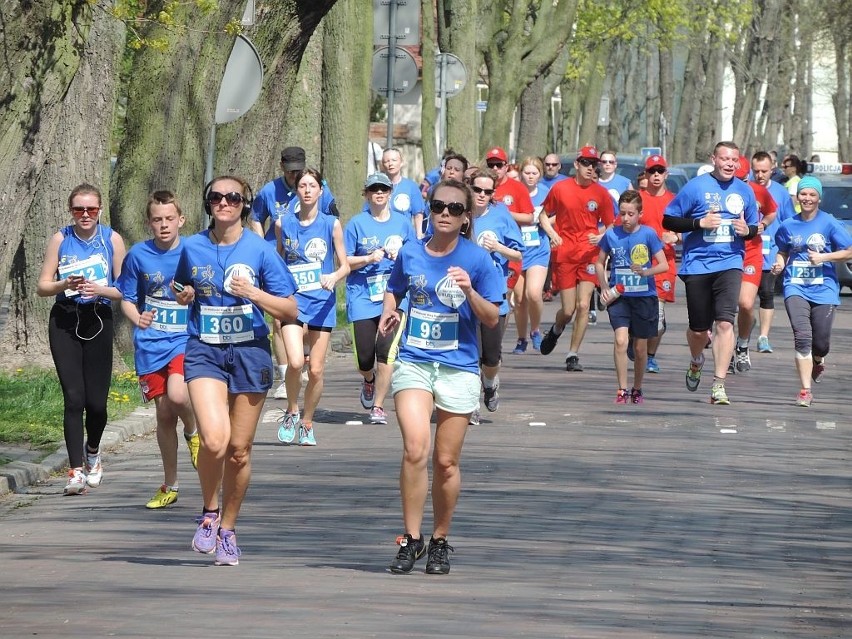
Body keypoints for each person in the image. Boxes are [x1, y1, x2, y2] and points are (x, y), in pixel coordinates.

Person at [379, 178, 503, 575]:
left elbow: (491, 318)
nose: (444, 214)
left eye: (454, 209)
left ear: (466, 217)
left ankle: (440, 539)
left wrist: (469, 291)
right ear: (429, 209)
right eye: (438, 206)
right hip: (415, 360)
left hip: (459, 366)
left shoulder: (478, 260)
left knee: (446, 462)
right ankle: (411, 539)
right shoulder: (411, 253)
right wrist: (389, 310)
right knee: (416, 449)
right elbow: (394, 288)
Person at [176, 175, 298, 566]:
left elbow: (290, 309)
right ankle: (209, 513)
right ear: (207, 202)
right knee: (215, 441)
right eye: (216, 197)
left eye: (232, 198)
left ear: (244, 204)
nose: (223, 203)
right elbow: (182, 289)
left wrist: (255, 294)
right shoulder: (192, 246)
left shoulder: (260, 250)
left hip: (250, 354)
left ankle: (228, 529)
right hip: (204, 352)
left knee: (240, 452)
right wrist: (186, 295)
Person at [37, 183, 127, 495]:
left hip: (98, 319)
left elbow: (124, 289)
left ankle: (93, 452)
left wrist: (98, 289)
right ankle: (75, 471)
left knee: (97, 405)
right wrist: (65, 283)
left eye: (91, 209)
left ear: (100, 210)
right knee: (74, 398)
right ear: (71, 211)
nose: (85, 215)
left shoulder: (111, 239)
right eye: (79, 210)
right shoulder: (61, 238)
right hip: (64, 319)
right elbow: (42, 286)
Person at [116, 190, 199, 508]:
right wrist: (138, 317)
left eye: (169, 219)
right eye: (157, 219)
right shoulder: (138, 255)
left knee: (178, 396)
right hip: (150, 345)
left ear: (181, 220)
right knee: (164, 415)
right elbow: (126, 296)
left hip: (183, 338)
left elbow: (207, 290)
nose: (164, 225)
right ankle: (170, 485)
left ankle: (193, 433)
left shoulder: (193, 251)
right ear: (149, 223)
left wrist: (193, 296)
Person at [662, 141, 759, 405]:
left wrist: (746, 230)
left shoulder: (744, 191)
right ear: (714, 159)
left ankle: (719, 385)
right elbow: (668, 220)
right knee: (698, 330)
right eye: (724, 158)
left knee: (726, 323)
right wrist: (698, 223)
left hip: (730, 263)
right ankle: (696, 360)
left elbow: (754, 226)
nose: (730, 164)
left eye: (734, 160)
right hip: (697, 265)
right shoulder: (695, 187)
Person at [249, 146, 339, 399]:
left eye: (298, 171)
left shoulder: (317, 187)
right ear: (282, 168)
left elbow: (332, 217)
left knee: (307, 325)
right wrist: (261, 244)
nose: (294, 176)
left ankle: (305, 351)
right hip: (278, 263)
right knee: (279, 320)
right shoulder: (269, 191)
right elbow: (256, 217)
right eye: (291, 172)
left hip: (313, 264)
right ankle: (286, 370)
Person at [276, 168, 350, 446]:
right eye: (302, 186)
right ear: (296, 191)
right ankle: (291, 410)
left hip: (321, 302)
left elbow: (344, 265)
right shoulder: (283, 223)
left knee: (316, 369)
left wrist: (333, 276)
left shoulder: (331, 224)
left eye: (312, 186)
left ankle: (307, 421)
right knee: (296, 362)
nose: (307, 190)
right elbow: (277, 262)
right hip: (293, 302)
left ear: (320, 191)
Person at [771, 176, 852, 407]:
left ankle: (818, 359)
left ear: (819, 198)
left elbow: (849, 250)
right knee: (802, 335)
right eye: (803, 194)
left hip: (824, 288)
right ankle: (805, 390)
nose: (807, 198)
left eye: (812, 195)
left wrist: (824, 257)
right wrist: (779, 263)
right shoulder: (788, 225)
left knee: (821, 342)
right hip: (795, 286)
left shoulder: (829, 223)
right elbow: (783, 251)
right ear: (797, 196)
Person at [344, 172, 414, 425]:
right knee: (365, 358)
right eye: (374, 189)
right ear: (366, 194)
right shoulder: (356, 224)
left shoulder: (403, 223)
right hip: (363, 296)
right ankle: (369, 379)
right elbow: (344, 262)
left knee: (386, 351)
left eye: (383, 189)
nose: (379, 193)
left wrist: (401, 260)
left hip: (395, 296)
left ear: (390, 193)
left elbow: (416, 256)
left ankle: (378, 406)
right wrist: (367, 258)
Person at [538, 146, 616, 371]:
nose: (591, 168)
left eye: (594, 164)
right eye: (586, 163)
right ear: (576, 165)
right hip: (565, 254)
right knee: (569, 310)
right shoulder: (561, 189)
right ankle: (556, 329)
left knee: (583, 306)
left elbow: (611, 225)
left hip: (589, 255)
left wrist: (600, 236)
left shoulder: (601, 194)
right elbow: (544, 216)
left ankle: (572, 354)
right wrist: (552, 234)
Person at [595, 190, 668, 404]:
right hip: (619, 296)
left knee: (639, 347)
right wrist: (604, 286)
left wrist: (646, 272)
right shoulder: (611, 235)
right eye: (622, 214)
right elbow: (599, 262)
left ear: (640, 214)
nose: (625, 219)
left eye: (630, 214)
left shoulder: (648, 234)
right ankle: (622, 389)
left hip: (644, 296)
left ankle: (637, 387)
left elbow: (663, 264)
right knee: (620, 340)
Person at [467, 168, 524, 425]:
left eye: (487, 191)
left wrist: (498, 247)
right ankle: (470, 404)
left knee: (491, 357)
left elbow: (518, 255)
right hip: (465, 295)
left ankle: (489, 383)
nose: (481, 194)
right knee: (469, 353)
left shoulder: (501, 216)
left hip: (493, 294)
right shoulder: (461, 214)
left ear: (493, 194)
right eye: (477, 189)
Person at [731, 156, 777, 374]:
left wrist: (763, 224)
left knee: (746, 304)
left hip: (750, 252)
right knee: (724, 309)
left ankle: (742, 343)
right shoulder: (714, 191)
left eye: (742, 178)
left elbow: (771, 211)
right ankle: (726, 349)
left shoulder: (758, 191)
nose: (738, 182)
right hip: (723, 253)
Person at [750, 150, 797, 353]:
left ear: (772, 170)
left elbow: (789, 222)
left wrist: (787, 251)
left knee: (767, 293)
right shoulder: (745, 189)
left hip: (771, 253)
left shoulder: (781, 192)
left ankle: (763, 337)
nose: (760, 175)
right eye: (756, 171)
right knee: (744, 299)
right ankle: (741, 335)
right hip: (747, 251)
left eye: (764, 171)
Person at [638, 155, 679, 373]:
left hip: (665, 264)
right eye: (651, 171)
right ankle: (639, 347)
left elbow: (689, 229)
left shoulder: (675, 201)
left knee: (658, 320)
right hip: (639, 266)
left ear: (666, 174)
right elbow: (621, 226)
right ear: (645, 175)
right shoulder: (636, 199)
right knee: (642, 314)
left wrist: (677, 238)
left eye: (660, 171)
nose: (656, 175)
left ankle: (650, 356)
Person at [512, 156, 551, 353]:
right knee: (519, 299)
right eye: (527, 173)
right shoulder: (515, 192)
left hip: (538, 248)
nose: (530, 177)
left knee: (533, 293)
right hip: (517, 250)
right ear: (521, 174)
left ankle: (535, 330)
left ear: (540, 175)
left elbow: (557, 215)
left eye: (534, 173)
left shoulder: (546, 193)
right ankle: (521, 338)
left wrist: (542, 221)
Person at [381, 147, 427, 239]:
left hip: (404, 237)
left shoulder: (411, 186)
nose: (390, 164)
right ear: (383, 165)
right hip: (381, 235)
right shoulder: (376, 187)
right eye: (386, 161)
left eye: (394, 160)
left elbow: (418, 214)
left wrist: (419, 236)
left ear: (401, 162)